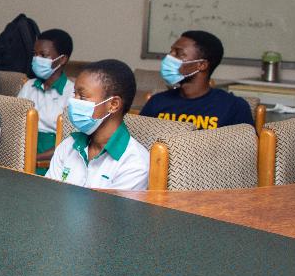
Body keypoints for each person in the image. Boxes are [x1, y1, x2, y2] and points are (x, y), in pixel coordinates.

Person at [46, 59, 148, 190]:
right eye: (74, 94)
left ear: (113, 104)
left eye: (82, 96)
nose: (72, 102)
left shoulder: (134, 162)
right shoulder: (68, 145)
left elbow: (112, 210)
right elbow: (49, 196)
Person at [141, 30, 253, 129]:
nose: (169, 58)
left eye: (179, 54)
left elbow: (246, 150)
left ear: (202, 65)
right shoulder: (157, 102)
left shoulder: (233, 107)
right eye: (171, 52)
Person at [17, 28, 75, 172]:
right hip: (22, 148)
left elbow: (70, 142)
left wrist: (33, 157)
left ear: (62, 59)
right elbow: (16, 121)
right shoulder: (29, 86)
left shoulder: (71, 93)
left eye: (43, 55)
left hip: (50, 157)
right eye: (35, 54)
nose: (37, 59)